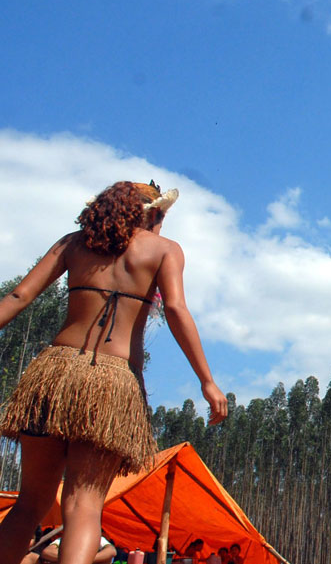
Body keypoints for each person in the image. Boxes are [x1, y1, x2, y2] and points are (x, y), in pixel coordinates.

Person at [0, 181, 228, 564]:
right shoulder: (164, 250)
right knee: (84, 506)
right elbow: (175, 310)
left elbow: (19, 296)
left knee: (29, 504)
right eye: (162, 216)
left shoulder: (74, 243)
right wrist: (207, 380)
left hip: (54, 373)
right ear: (153, 213)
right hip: (112, 382)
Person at [40, 533, 115, 564]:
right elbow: (47, 552)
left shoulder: (97, 538)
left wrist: (85, 560)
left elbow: (111, 551)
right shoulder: (64, 539)